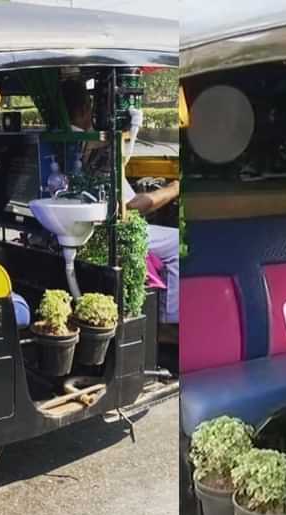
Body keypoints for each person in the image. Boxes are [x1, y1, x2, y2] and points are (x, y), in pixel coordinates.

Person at [62, 79, 180, 335]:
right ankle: (170, 323)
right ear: (85, 108)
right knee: (176, 242)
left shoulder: (65, 142)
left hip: (79, 230)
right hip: (104, 234)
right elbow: (130, 208)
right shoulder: (91, 143)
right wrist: (173, 189)